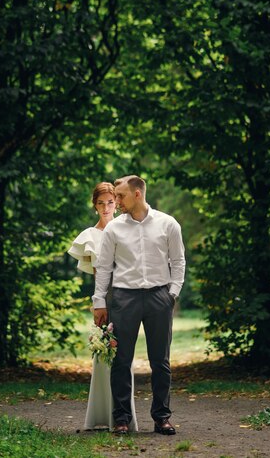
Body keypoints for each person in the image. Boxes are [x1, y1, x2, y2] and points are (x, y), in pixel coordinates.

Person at [93, 175, 186, 435]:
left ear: (137, 194)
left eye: (120, 196)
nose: (116, 202)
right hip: (124, 298)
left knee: (161, 361)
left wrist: (172, 294)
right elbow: (103, 267)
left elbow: (178, 262)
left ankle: (162, 418)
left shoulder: (168, 224)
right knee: (121, 361)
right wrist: (99, 301)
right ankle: (121, 419)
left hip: (159, 297)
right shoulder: (114, 228)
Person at [68, 182, 138, 432]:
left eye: (111, 202)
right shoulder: (91, 235)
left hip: (129, 294)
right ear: (94, 205)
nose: (106, 207)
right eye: (101, 203)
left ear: (117, 203)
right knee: (106, 353)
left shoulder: (128, 229)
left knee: (125, 354)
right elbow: (99, 274)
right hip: (106, 298)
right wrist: (99, 302)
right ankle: (104, 414)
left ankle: (123, 415)